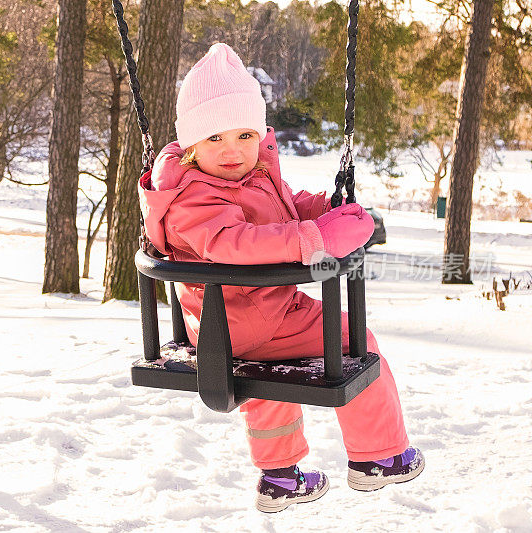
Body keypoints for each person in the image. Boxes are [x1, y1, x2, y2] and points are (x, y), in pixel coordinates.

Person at [138, 43, 424, 513]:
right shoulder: (192, 197)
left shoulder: (252, 175)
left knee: (269, 386)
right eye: (214, 139)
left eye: (245, 134)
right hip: (245, 319)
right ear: (190, 143)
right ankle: (381, 457)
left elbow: (286, 207)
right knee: (357, 339)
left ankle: (280, 476)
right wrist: (317, 239)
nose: (233, 150)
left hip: (246, 316)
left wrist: (327, 211)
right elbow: (235, 243)